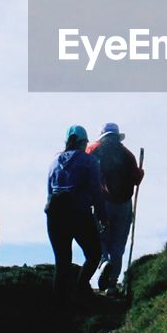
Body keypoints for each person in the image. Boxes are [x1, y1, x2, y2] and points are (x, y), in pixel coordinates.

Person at [45, 124, 107, 307]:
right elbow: (97, 192)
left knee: (62, 263)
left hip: (54, 216)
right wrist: (103, 217)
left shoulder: (54, 162)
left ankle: (59, 307)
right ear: (83, 142)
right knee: (94, 254)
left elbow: (49, 192)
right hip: (79, 214)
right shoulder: (89, 162)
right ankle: (80, 288)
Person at [87, 122, 143, 293]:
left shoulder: (94, 149)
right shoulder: (128, 155)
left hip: (103, 204)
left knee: (100, 238)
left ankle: (104, 262)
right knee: (118, 244)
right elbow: (136, 179)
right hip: (124, 205)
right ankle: (112, 284)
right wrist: (141, 173)